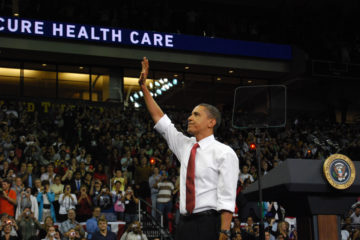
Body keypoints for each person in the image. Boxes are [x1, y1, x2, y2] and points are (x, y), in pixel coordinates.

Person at [138, 57, 239, 240]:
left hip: (210, 223)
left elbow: (227, 197)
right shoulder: (185, 146)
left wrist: (224, 231)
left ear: (211, 122)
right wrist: (144, 88)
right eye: (191, 114)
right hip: (184, 224)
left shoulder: (224, 153)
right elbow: (160, 119)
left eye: (196, 114)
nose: (189, 118)